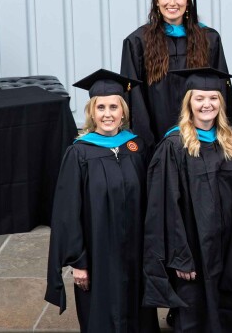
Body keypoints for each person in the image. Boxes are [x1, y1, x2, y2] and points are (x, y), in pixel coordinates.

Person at [45, 70, 160, 333]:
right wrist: (79, 262)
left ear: (123, 111)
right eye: (101, 107)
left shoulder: (136, 147)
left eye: (113, 107)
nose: (107, 114)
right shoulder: (79, 152)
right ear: (91, 112)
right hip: (98, 255)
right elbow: (67, 212)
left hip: (136, 253)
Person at [142, 68, 232, 333]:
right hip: (193, 251)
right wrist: (180, 256)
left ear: (221, 103)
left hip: (229, 249)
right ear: (188, 102)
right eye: (200, 98)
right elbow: (164, 207)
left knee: (231, 311)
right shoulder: (174, 145)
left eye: (213, 98)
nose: (207, 104)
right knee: (194, 314)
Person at [121, 0, 232, 151]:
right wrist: (146, 141)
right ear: (156, 0)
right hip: (155, 136)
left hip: (202, 137)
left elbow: (221, 88)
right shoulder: (138, 41)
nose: (172, 2)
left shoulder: (208, 39)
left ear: (187, 1)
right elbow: (134, 98)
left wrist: (228, 131)